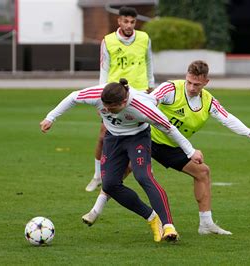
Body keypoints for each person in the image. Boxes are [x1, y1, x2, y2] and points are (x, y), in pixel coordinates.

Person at [81, 60, 250, 235]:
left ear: (206, 82)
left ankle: (206, 224)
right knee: (123, 171)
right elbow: (149, 102)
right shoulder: (170, 88)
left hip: (172, 147)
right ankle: (95, 210)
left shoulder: (209, 101)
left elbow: (227, 117)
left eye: (196, 84)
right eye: (189, 81)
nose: (191, 87)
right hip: (148, 138)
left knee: (202, 172)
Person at [40, 78, 204, 242]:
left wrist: (190, 152)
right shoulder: (97, 94)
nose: (107, 110)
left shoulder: (143, 108)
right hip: (113, 139)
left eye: (112, 108)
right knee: (110, 185)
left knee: (143, 176)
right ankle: (152, 218)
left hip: (138, 138)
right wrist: (50, 118)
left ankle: (168, 225)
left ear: (124, 101)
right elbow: (73, 97)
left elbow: (169, 128)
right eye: (105, 106)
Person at [85, 6, 155, 192]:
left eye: (132, 22)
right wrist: (101, 95)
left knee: (146, 130)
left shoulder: (144, 38)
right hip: (114, 94)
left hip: (139, 92)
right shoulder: (108, 41)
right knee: (102, 136)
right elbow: (104, 68)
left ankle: (147, 170)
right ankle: (97, 176)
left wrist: (151, 84)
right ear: (119, 21)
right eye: (126, 21)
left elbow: (149, 61)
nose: (129, 25)